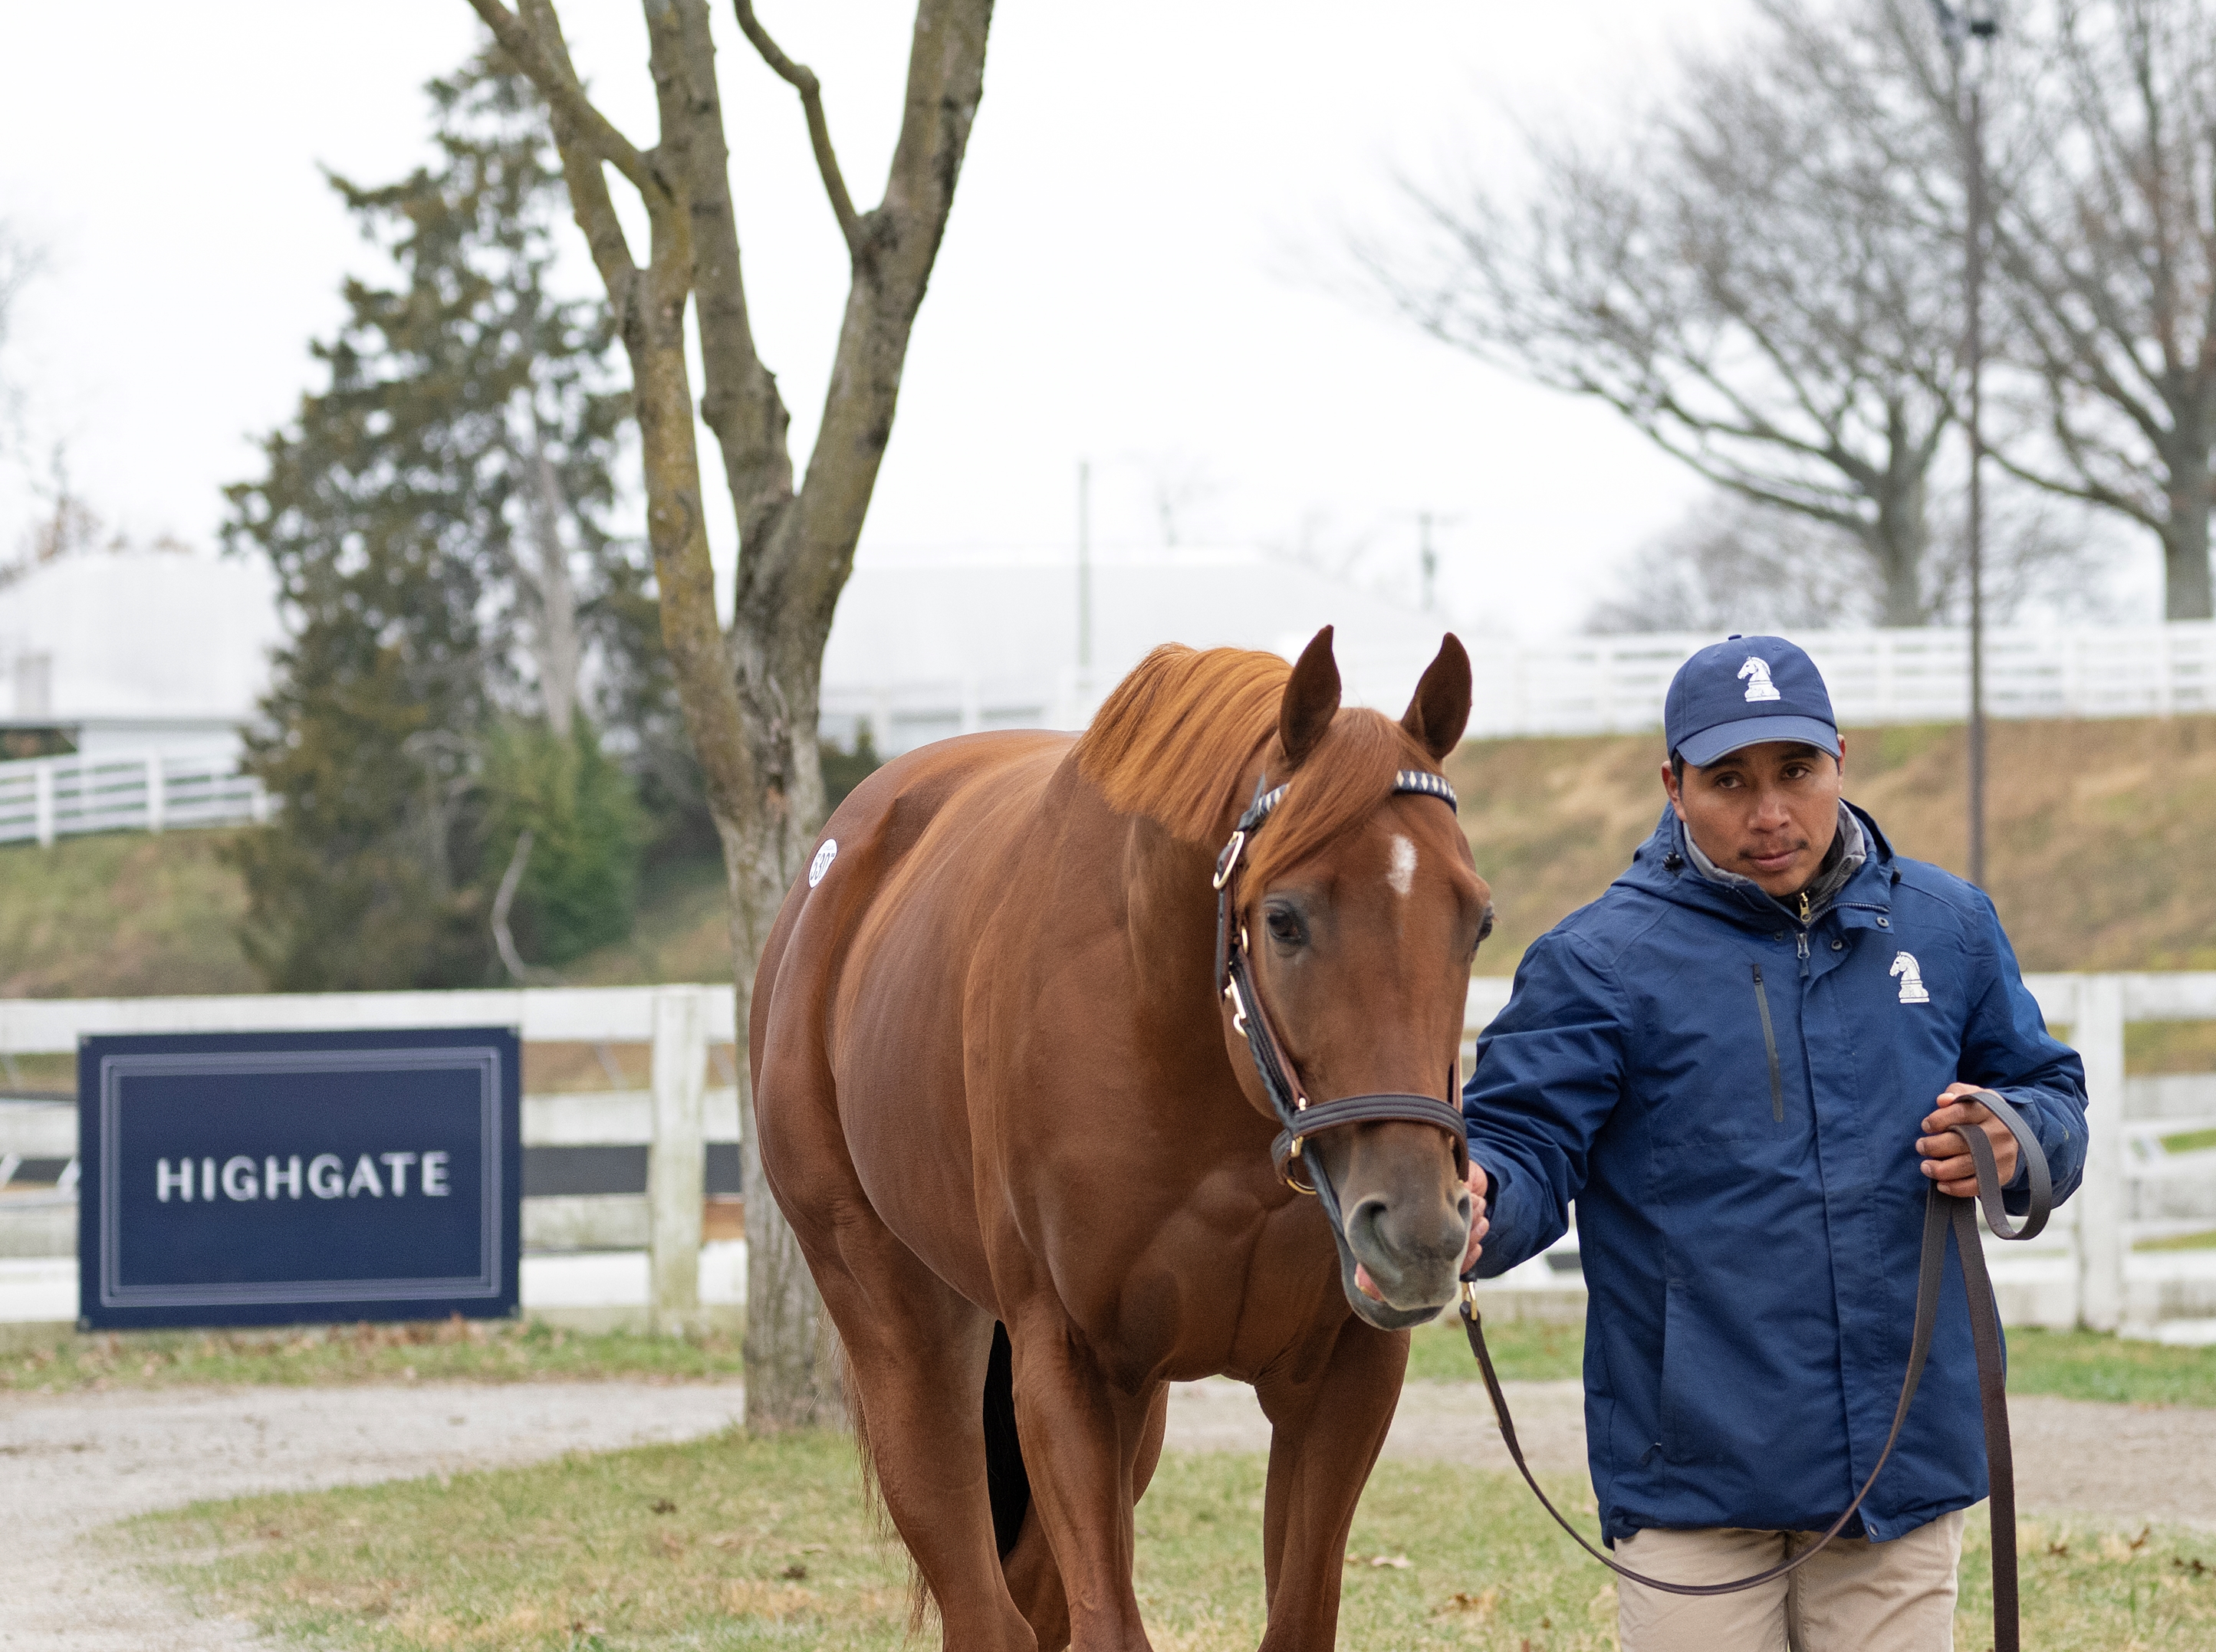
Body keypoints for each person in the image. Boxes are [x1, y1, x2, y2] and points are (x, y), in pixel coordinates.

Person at [1458, 634, 2087, 1652]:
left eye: (1795, 772)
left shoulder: (1946, 926)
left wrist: (2015, 1139)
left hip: (1900, 1464)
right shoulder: (1593, 962)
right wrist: (1475, 1200)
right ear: (1670, 783)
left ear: (1837, 757)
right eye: (1727, 780)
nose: (1768, 812)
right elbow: (1522, 1145)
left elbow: (2045, 1087)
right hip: (1691, 1477)